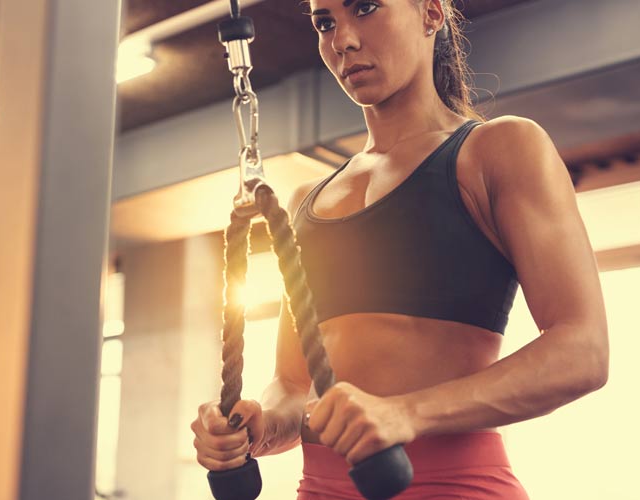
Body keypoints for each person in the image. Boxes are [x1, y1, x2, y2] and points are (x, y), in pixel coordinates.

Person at [191, 0, 609, 498]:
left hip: (455, 487)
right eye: (325, 23)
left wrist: (406, 413)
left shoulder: (499, 151)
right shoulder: (308, 201)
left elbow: (582, 351)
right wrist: (256, 428)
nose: (341, 40)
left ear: (431, 13)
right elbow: (292, 383)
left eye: (365, 7)